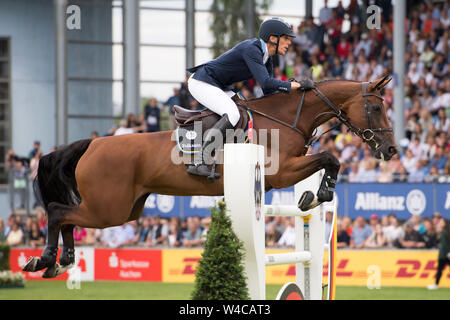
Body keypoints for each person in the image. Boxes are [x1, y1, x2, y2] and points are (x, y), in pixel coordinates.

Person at [185, 17, 312, 179]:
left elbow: (267, 91)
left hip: (218, 85)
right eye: (286, 38)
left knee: (244, 110)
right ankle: (199, 161)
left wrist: (296, 95)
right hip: (201, 82)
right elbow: (266, 81)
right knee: (233, 114)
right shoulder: (252, 49)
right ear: (273, 38)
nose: (289, 43)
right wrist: (296, 85)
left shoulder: (266, 58)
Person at [427, 218, 450, 290]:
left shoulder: (444, 232)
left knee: (439, 270)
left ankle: (436, 284)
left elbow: (446, 244)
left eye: (441, 222)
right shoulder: (443, 232)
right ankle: (436, 284)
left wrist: (448, 253)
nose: (440, 223)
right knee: (439, 270)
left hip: (445, 254)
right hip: (443, 254)